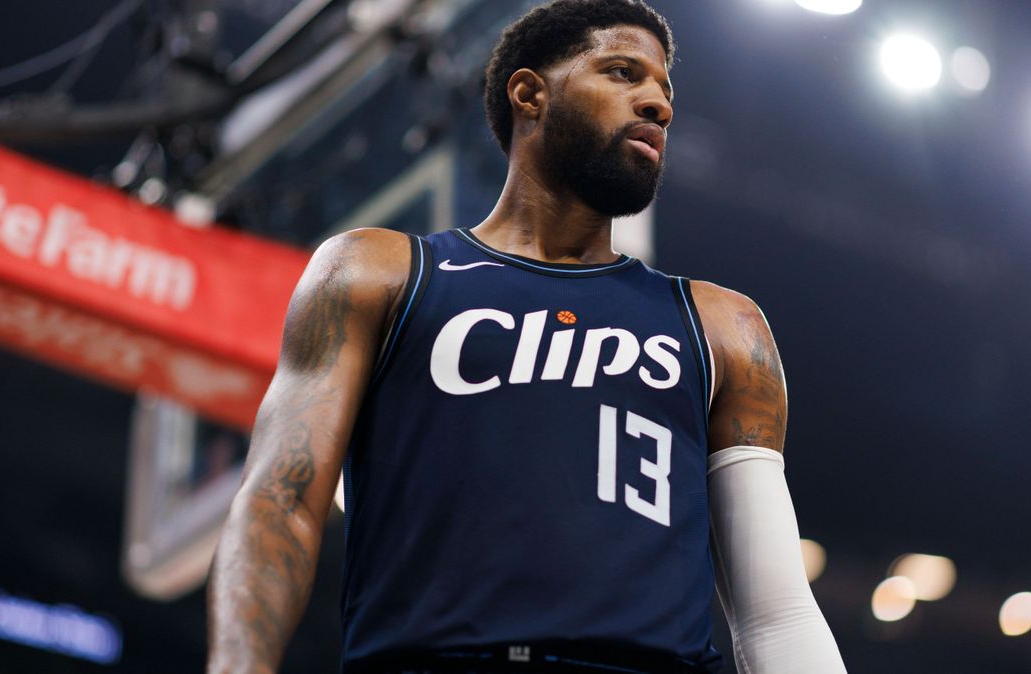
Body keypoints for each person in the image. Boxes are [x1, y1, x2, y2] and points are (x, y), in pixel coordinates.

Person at [207, 1, 847, 672]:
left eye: (664, 91)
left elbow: (775, 615)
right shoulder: (375, 272)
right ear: (529, 93)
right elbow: (281, 502)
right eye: (623, 72)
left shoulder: (722, 325)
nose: (657, 104)